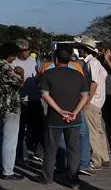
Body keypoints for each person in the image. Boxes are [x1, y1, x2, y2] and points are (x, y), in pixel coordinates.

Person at [40, 48, 89, 187]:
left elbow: (45, 94)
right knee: (74, 150)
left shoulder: (48, 74)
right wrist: (75, 111)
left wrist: (60, 111)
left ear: (56, 60)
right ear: (70, 60)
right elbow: (85, 95)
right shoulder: (78, 75)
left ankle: (47, 177)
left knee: (51, 148)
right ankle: (73, 179)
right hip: (74, 119)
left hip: (54, 118)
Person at [0, 42, 24, 180]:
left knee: (1, 137)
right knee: (10, 140)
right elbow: (19, 82)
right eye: (13, 55)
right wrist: (21, 73)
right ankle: (8, 171)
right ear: (9, 54)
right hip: (11, 105)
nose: (14, 58)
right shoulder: (5, 66)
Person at [76, 36, 109, 170]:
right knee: (99, 130)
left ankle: (96, 160)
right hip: (99, 100)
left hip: (93, 101)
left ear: (84, 50)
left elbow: (94, 83)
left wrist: (87, 101)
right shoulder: (96, 63)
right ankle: (104, 157)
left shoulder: (91, 64)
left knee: (93, 132)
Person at [13, 39, 44, 164]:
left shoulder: (34, 60)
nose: (26, 52)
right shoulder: (13, 62)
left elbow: (39, 75)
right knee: (21, 130)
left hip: (35, 99)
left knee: (39, 128)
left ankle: (39, 152)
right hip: (22, 101)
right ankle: (22, 155)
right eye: (23, 50)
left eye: (27, 49)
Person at [98, 42, 111, 162]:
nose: (99, 53)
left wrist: (107, 61)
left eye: (101, 51)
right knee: (107, 123)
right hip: (105, 95)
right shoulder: (99, 61)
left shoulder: (107, 61)